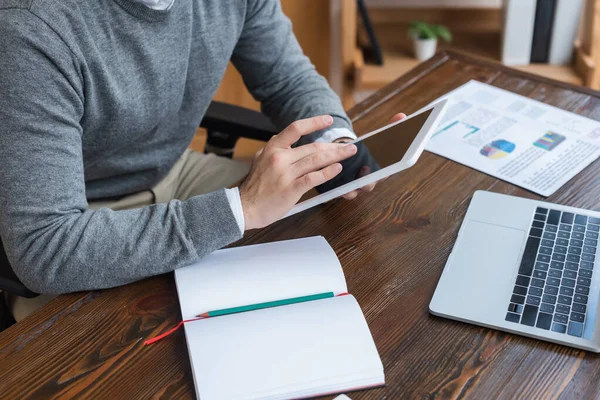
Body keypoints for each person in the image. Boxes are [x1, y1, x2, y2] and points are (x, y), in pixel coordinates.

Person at [0, 0, 403, 321]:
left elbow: (287, 78)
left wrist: (336, 143)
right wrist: (241, 208)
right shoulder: (31, 28)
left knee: (337, 254)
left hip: (176, 170)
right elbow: (45, 249)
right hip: (84, 216)